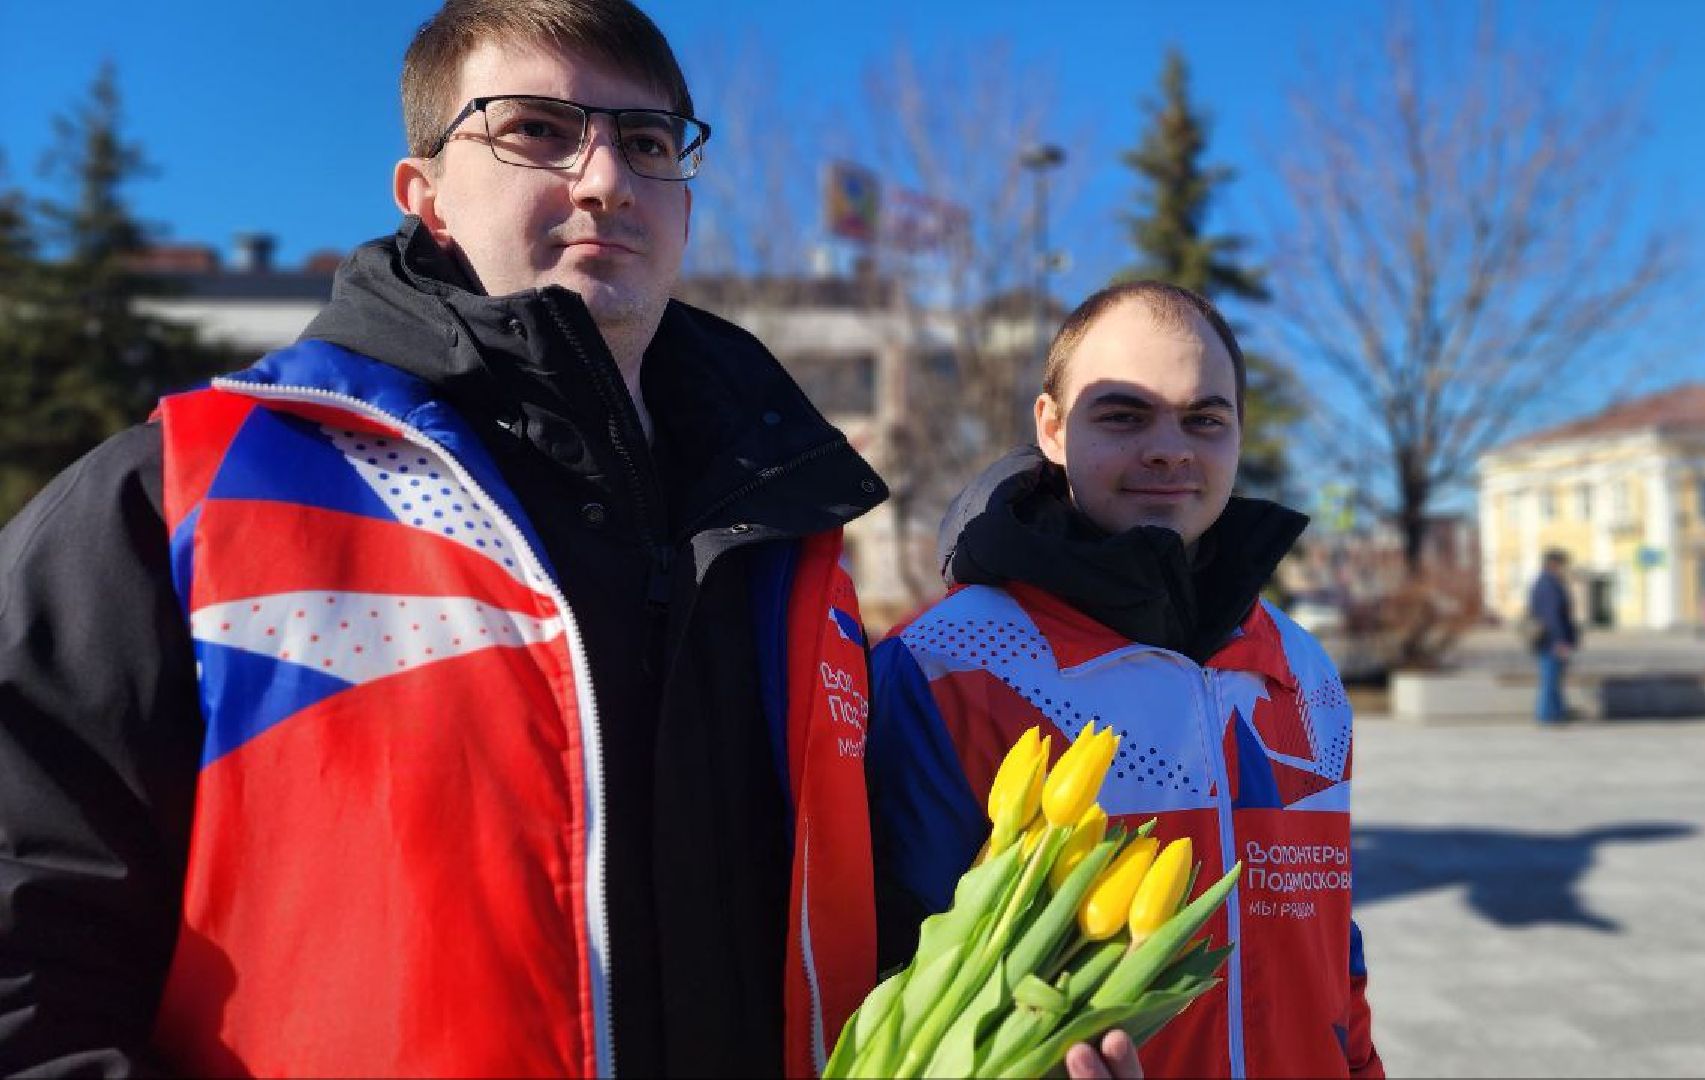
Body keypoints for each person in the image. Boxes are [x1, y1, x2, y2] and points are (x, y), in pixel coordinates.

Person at [0, 3, 907, 1075]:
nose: (606, 179)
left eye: (650, 142)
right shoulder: (189, 500)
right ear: (423, 196)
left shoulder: (790, 551)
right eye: (537, 130)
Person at [866, 282, 1385, 1078]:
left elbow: (1333, 950)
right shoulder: (943, 667)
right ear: (1050, 427)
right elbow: (888, 988)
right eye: (1123, 414)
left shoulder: (1301, 667)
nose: (1169, 449)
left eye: (1203, 419)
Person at [1527, 549, 1579, 725]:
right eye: (1563, 565)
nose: (1565, 569)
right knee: (1550, 679)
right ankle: (1547, 715)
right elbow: (1552, 616)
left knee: (1553, 678)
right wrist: (1560, 641)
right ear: (1553, 564)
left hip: (1548, 639)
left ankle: (1556, 713)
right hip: (1551, 640)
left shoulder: (1545, 582)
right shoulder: (1549, 585)